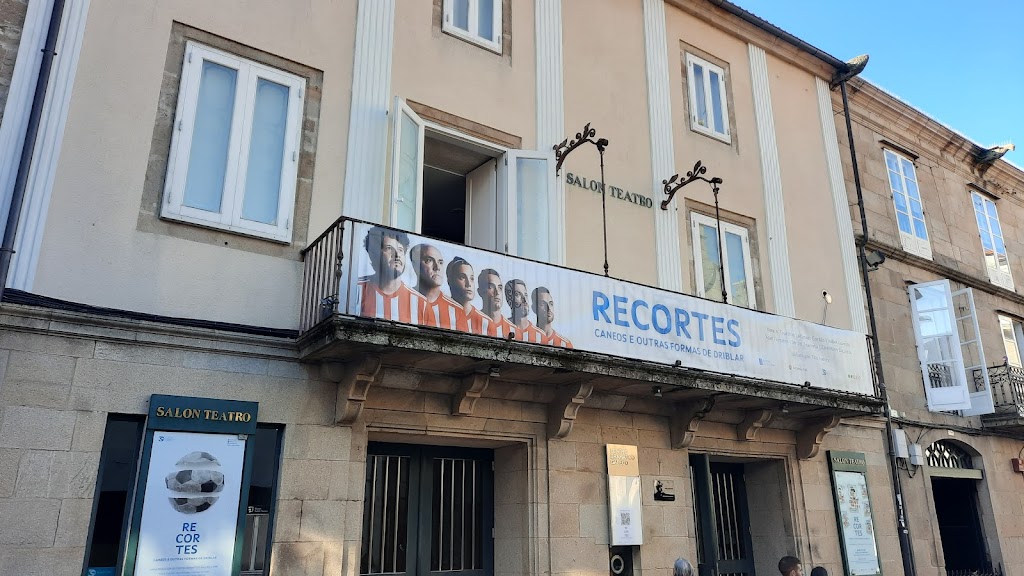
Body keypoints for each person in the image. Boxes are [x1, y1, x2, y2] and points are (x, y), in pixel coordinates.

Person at [356, 226, 426, 323]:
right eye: (389, 248)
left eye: (401, 250)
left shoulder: (421, 302)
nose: (397, 255)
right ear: (373, 255)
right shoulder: (356, 290)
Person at [411, 243, 462, 331]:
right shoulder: (405, 299)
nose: (437, 267)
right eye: (429, 260)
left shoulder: (457, 310)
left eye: (440, 262)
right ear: (415, 265)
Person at [446, 257, 491, 334]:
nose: (468, 284)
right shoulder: (440, 314)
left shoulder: (486, 322)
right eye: (462, 277)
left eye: (471, 278)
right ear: (450, 281)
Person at [478, 269, 515, 338]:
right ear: (480, 291)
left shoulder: (513, 329)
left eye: (500, 288)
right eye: (490, 287)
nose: (497, 292)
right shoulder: (472, 322)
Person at [505, 279, 543, 343]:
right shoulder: (503, 328)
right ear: (509, 300)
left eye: (525, 295)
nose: (524, 300)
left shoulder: (540, 336)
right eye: (518, 294)